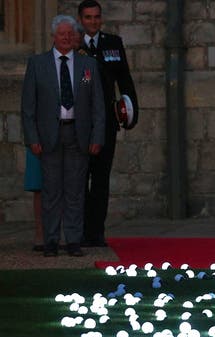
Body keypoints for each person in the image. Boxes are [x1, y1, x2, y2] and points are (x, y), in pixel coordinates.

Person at [21, 14, 104, 257]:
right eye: (61, 34)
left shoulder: (88, 65)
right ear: (53, 37)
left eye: (70, 34)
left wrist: (97, 136)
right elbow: (28, 107)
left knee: (76, 191)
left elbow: (98, 104)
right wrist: (32, 138)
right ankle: (50, 241)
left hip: (78, 134)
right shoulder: (37, 64)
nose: (66, 37)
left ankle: (74, 241)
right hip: (48, 136)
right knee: (51, 192)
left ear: (74, 37)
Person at [78, 0, 139, 247]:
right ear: (80, 19)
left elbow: (124, 80)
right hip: (80, 125)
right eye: (88, 17)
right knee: (80, 181)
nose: (93, 22)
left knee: (101, 180)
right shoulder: (73, 44)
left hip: (106, 124)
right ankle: (80, 232)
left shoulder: (112, 44)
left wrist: (132, 114)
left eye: (96, 17)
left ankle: (96, 233)